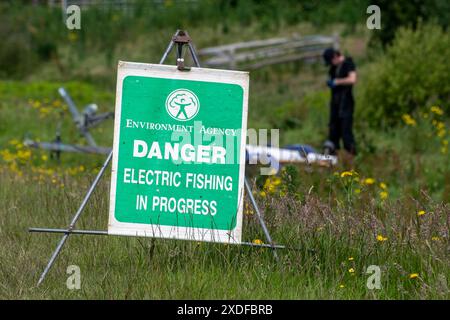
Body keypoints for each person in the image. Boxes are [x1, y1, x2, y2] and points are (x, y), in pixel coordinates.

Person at [322, 48, 357, 163]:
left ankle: (352, 161)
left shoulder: (348, 63)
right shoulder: (333, 68)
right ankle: (331, 162)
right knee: (333, 133)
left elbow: (352, 79)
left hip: (346, 104)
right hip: (335, 104)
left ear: (335, 57)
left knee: (346, 133)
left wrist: (337, 82)